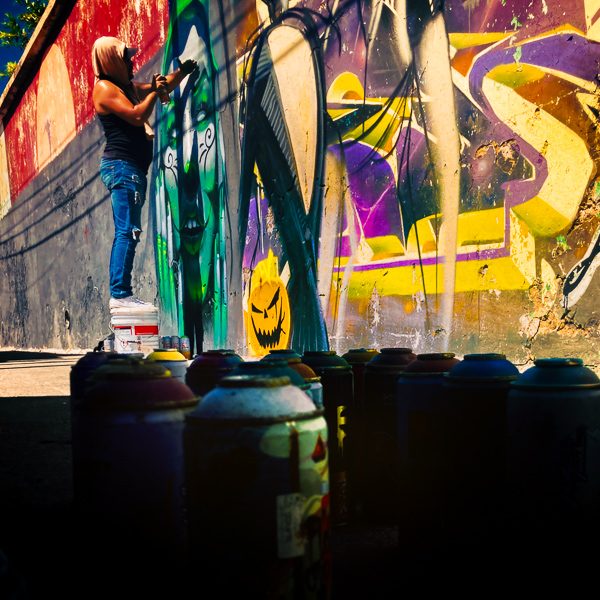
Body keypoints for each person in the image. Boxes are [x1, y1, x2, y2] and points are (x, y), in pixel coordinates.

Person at [91, 36, 197, 313]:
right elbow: (138, 116)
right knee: (126, 232)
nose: (132, 62)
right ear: (112, 60)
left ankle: (122, 293)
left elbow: (161, 86)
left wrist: (181, 72)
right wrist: (153, 94)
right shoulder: (104, 88)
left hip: (132, 170)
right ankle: (120, 294)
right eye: (126, 58)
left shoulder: (123, 88)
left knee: (131, 233)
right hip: (122, 167)